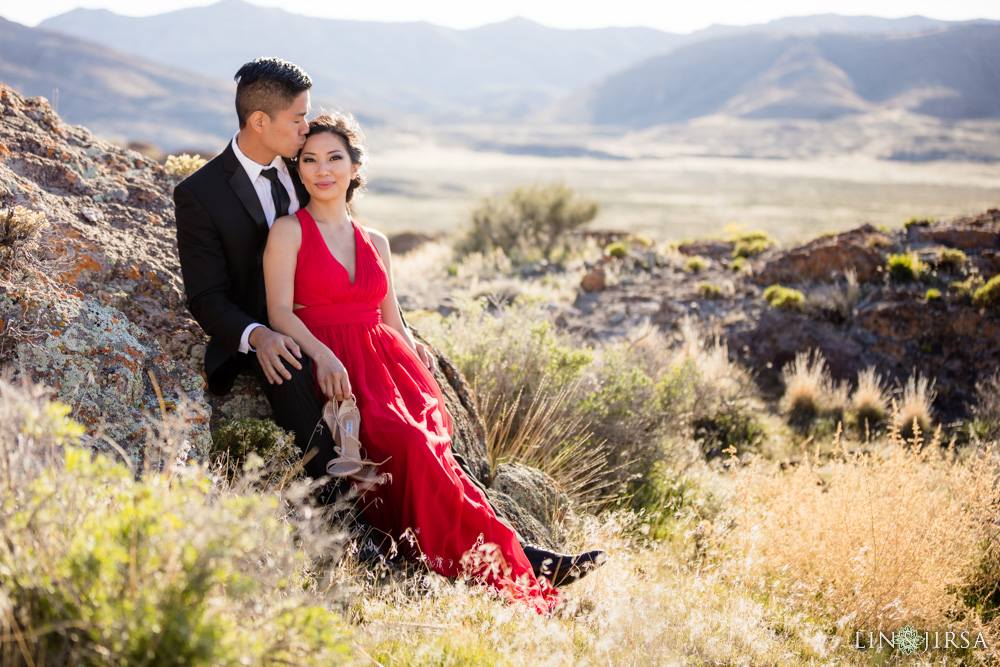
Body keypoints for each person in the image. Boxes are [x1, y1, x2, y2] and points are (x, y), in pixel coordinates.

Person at [174, 57, 601, 590]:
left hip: (336, 324)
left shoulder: (301, 162)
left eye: (312, 125)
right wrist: (258, 334)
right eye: (298, 118)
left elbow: (351, 244)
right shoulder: (201, 193)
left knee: (428, 436)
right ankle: (367, 548)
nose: (308, 132)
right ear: (260, 122)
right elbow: (208, 296)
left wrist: (401, 342)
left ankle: (515, 550)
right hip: (273, 339)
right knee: (324, 421)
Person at [263, 113, 603, 612]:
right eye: (309, 160)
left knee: (433, 447)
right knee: (410, 444)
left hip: (388, 364)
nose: (322, 170)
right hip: (338, 369)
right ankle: (522, 563)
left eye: (334, 157)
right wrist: (323, 354)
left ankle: (512, 564)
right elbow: (278, 313)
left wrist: (421, 369)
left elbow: (392, 318)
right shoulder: (288, 232)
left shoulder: (375, 240)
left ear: (355, 166)